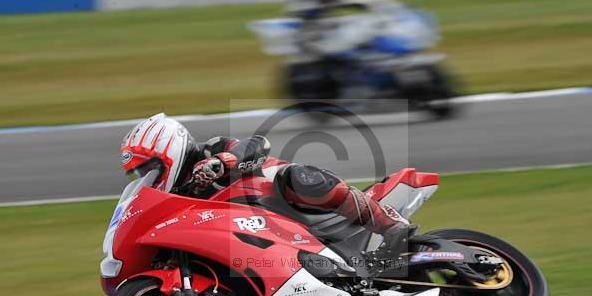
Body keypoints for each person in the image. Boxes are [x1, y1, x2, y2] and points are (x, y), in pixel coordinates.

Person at [119, 113, 411, 253]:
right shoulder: (177, 198)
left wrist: (221, 162)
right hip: (264, 241)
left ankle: (389, 224)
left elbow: (259, 144)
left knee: (297, 177)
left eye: (150, 169)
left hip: (288, 206)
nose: (148, 179)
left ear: (169, 151)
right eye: (140, 174)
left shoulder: (212, 150)